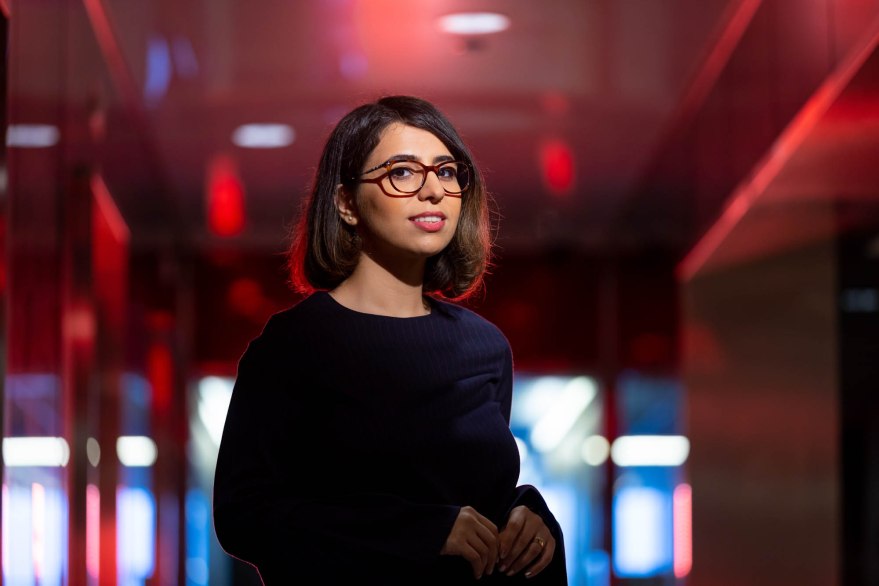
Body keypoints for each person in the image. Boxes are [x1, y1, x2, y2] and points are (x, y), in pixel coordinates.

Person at [213, 96, 567, 585]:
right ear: (346, 203)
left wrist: (526, 514)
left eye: (447, 172)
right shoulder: (292, 347)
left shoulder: (486, 348)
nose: (433, 190)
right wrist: (421, 532)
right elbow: (244, 516)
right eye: (403, 172)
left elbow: (473, 491)